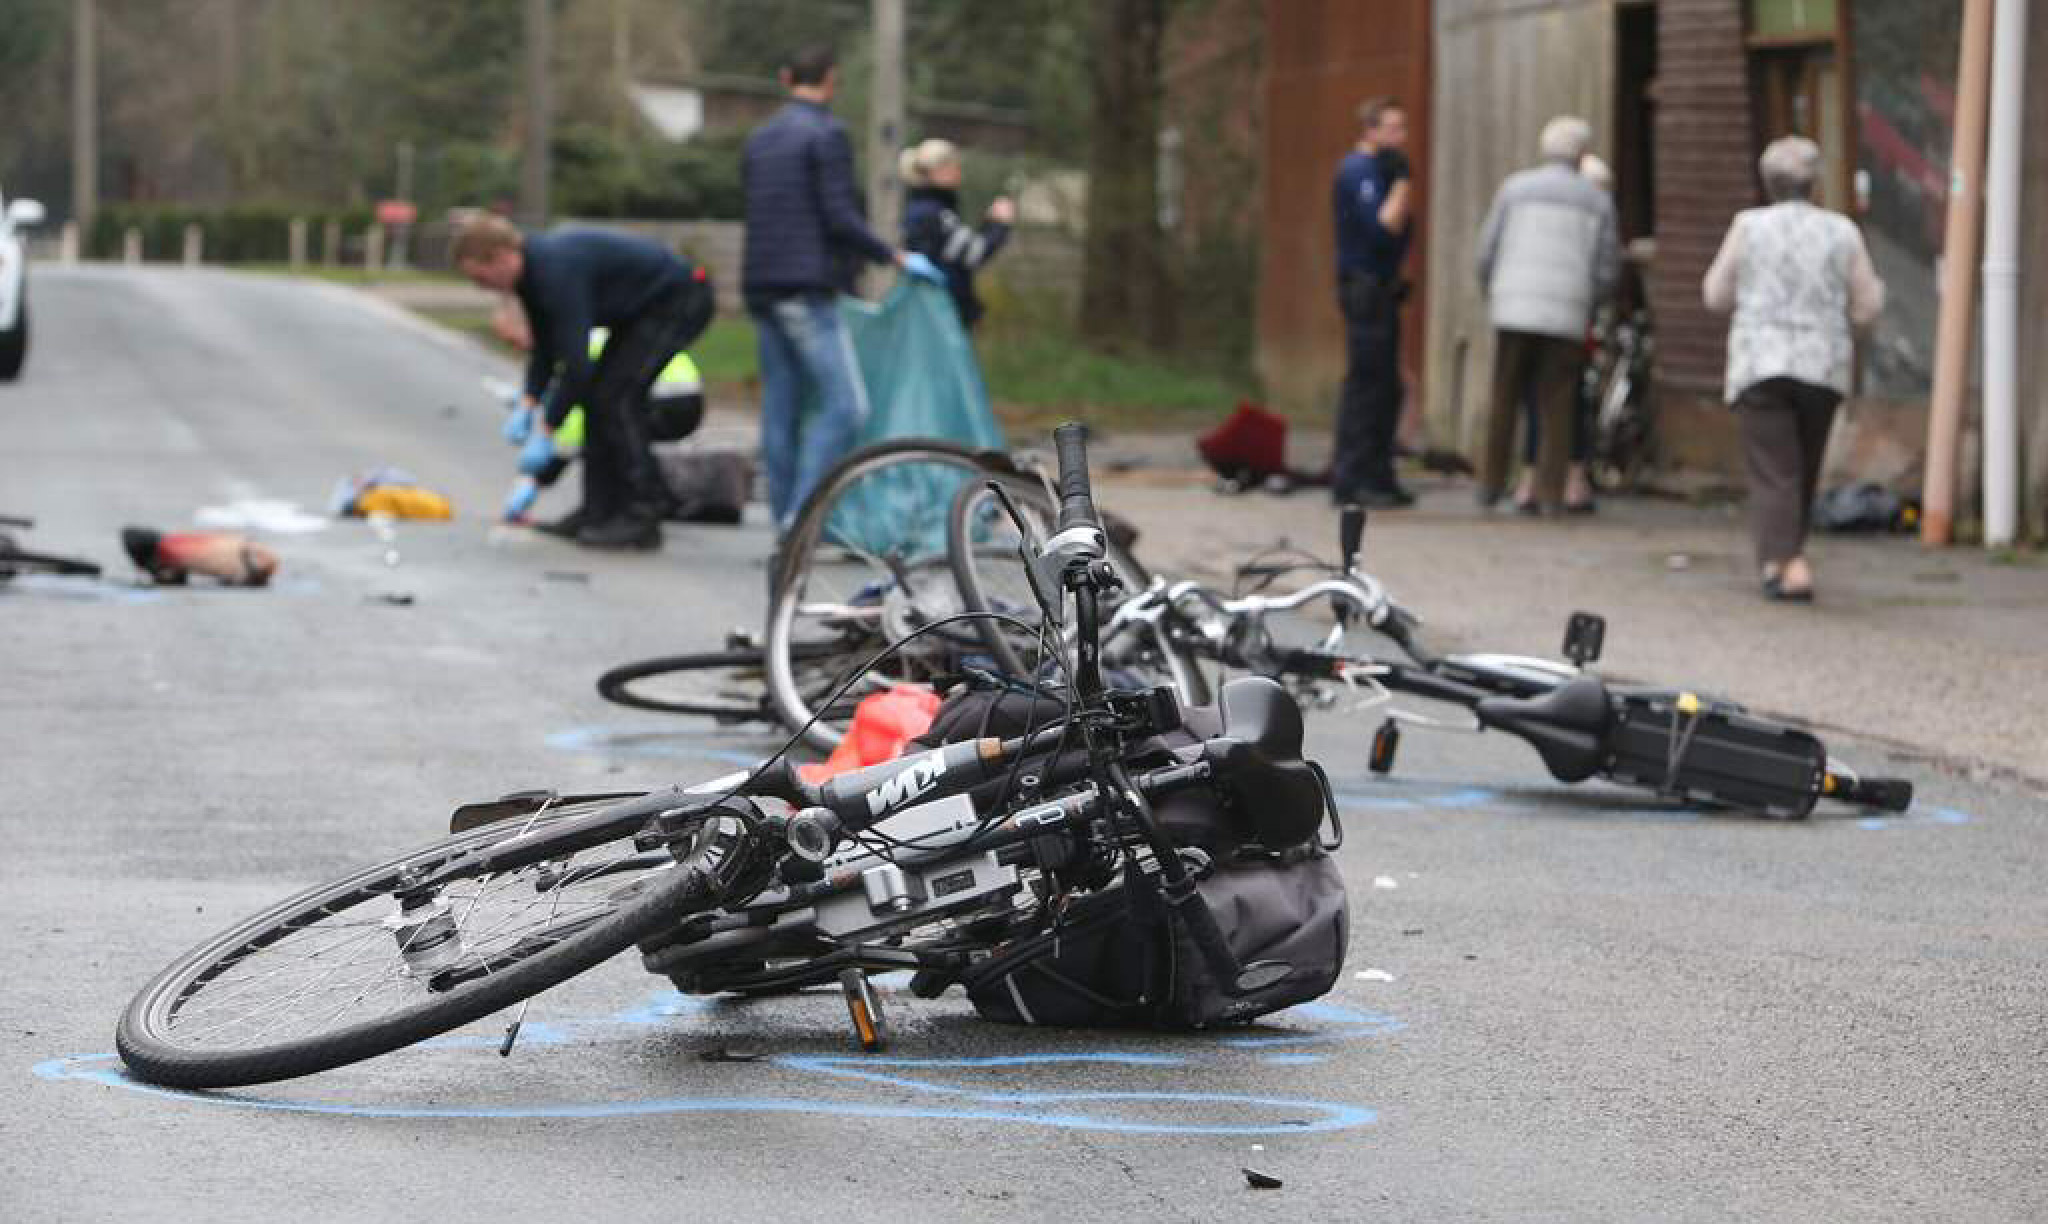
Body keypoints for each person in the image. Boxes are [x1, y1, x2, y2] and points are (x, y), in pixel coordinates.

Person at [742, 44, 944, 533]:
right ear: (831, 81)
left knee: (781, 410)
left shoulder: (761, 139)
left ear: (785, 77)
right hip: (806, 287)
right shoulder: (827, 134)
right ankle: (801, 522)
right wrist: (892, 256)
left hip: (760, 284)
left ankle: (782, 525)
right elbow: (838, 215)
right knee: (846, 405)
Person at [453, 213, 714, 551]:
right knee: (597, 399)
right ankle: (598, 510)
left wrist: (547, 428)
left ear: (502, 256)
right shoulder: (530, 274)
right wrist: (529, 400)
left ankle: (642, 512)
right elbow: (546, 348)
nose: (481, 288)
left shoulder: (554, 271)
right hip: (638, 311)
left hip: (677, 300)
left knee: (617, 400)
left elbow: (576, 365)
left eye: (481, 277)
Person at [1703, 136, 1885, 602]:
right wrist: (1842, 323)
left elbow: (1716, 294)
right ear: (1814, 182)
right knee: (1801, 466)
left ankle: (1786, 563)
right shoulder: (1841, 231)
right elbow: (1867, 304)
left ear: (1768, 183)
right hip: (1821, 363)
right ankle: (1783, 559)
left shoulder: (1748, 226)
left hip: (1761, 359)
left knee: (1774, 469)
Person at [1474, 116, 1620, 514]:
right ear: (1582, 154)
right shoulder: (1596, 199)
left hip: (1514, 305)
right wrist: (1591, 301)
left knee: (1505, 394)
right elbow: (1607, 265)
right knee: (1557, 401)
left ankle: (1490, 483)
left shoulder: (1514, 189)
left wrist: (1494, 291)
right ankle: (1552, 494)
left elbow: (1487, 248)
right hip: (1566, 312)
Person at [1511, 151, 1615, 514]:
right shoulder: (1592, 210)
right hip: (1570, 320)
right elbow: (1604, 271)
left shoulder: (1528, 204)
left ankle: (1530, 482)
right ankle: (1567, 482)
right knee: (1570, 403)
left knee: (1534, 399)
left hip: (1521, 314)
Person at [1329, 96, 1416, 508]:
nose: (1402, 137)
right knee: (1367, 385)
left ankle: (1379, 474)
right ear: (1371, 130)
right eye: (1394, 128)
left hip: (1383, 288)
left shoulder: (1379, 169)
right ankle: (1351, 477)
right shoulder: (1360, 169)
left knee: (1388, 387)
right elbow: (1383, 227)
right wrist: (1402, 184)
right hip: (1364, 288)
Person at [899, 139, 1015, 329]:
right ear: (937, 171)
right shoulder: (935, 214)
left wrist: (989, 224)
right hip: (940, 314)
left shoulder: (926, 209)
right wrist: (998, 224)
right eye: (953, 166)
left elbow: (960, 250)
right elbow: (974, 253)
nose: (958, 172)